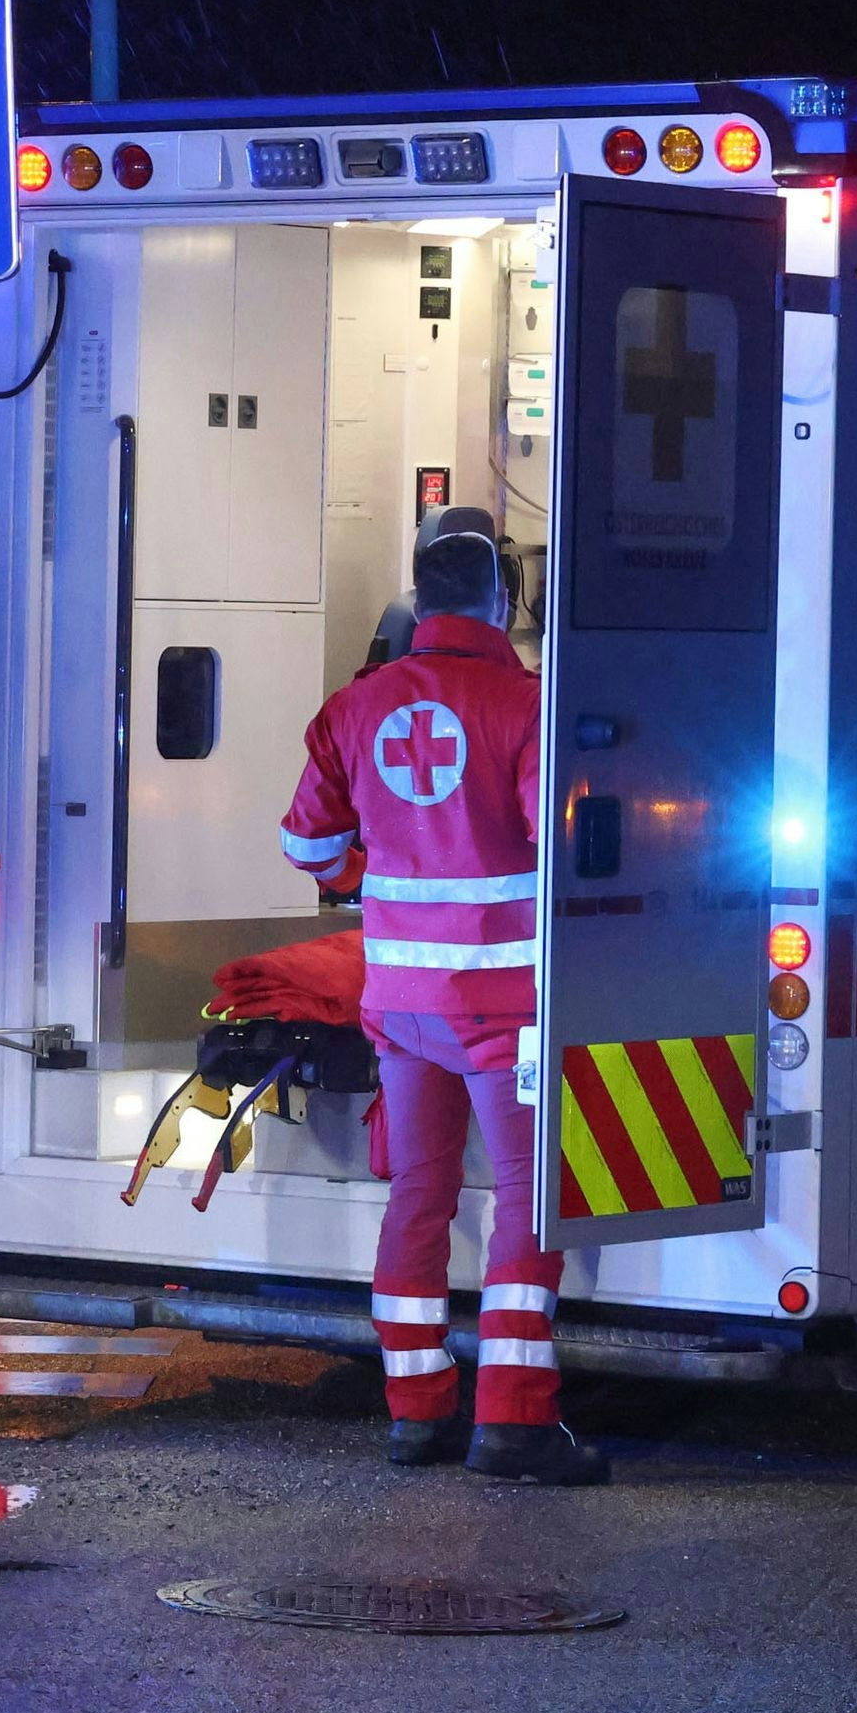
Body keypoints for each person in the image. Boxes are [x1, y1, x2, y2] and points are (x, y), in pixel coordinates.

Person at [277, 506, 602, 1486]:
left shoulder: (356, 704)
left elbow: (306, 848)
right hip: (502, 1008)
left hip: (399, 1003)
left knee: (417, 1194)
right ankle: (511, 1419)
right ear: (500, 601)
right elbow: (570, 853)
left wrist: (378, 857)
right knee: (525, 1200)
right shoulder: (528, 707)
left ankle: (415, 1412)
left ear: (418, 601)